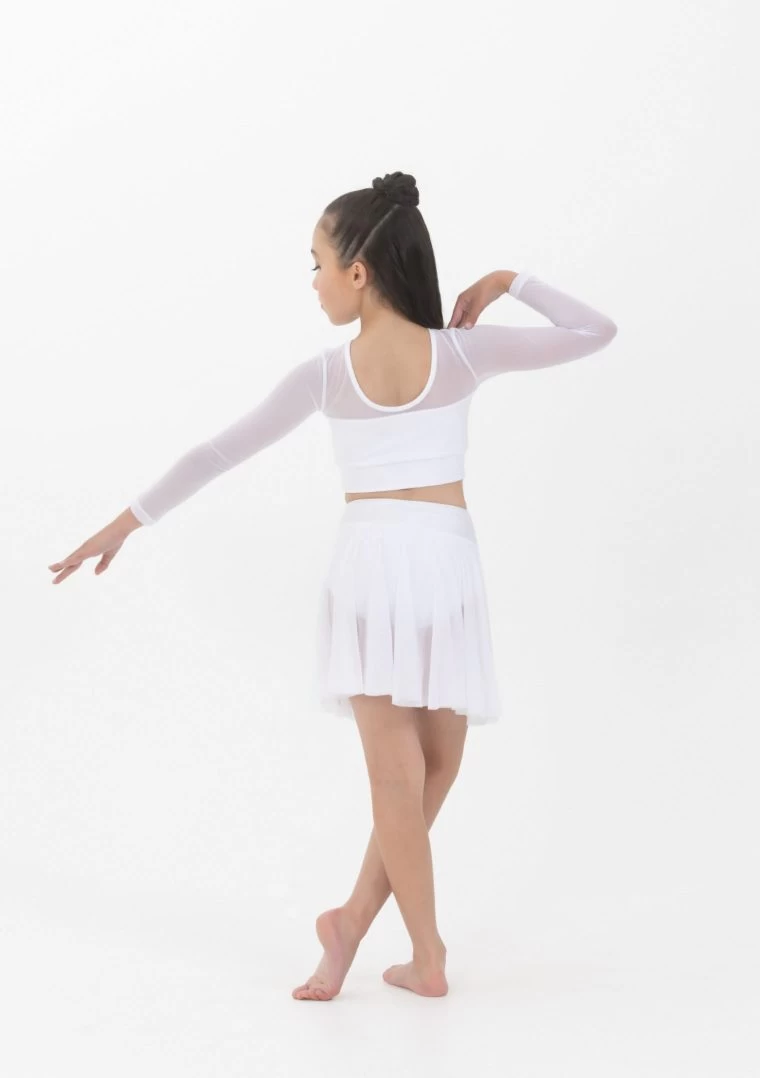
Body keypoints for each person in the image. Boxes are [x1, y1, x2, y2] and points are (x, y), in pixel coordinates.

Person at [48, 170, 618, 1000]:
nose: (312, 282)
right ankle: (427, 954)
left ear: (359, 271)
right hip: (407, 566)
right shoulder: (389, 365)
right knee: (404, 777)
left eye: (317, 264)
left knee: (431, 770)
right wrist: (126, 522)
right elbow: (217, 452)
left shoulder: (429, 356)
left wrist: (503, 278)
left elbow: (598, 331)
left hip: (421, 567)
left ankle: (350, 922)